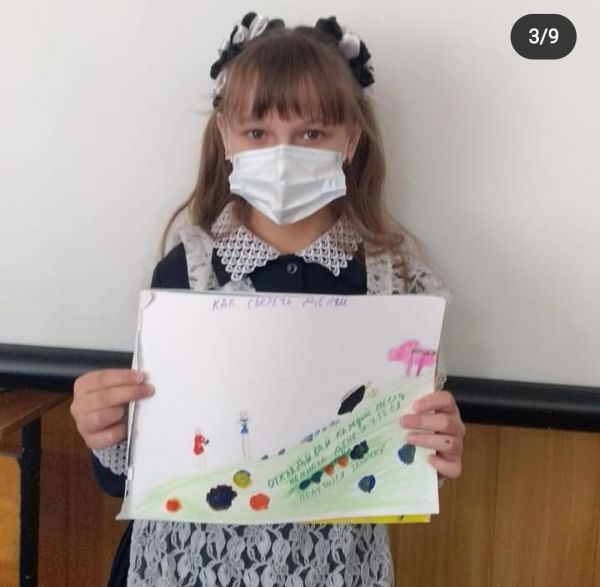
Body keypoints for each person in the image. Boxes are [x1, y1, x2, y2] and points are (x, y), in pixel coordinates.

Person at [70, 12, 466, 586]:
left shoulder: (398, 281)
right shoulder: (188, 269)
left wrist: (439, 447)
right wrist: (106, 431)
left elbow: (409, 457)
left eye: (311, 133)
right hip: (186, 567)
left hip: (332, 572)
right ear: (225, 136)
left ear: (352, 138)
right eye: (257, 133)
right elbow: (126, 477)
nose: (283, 154)